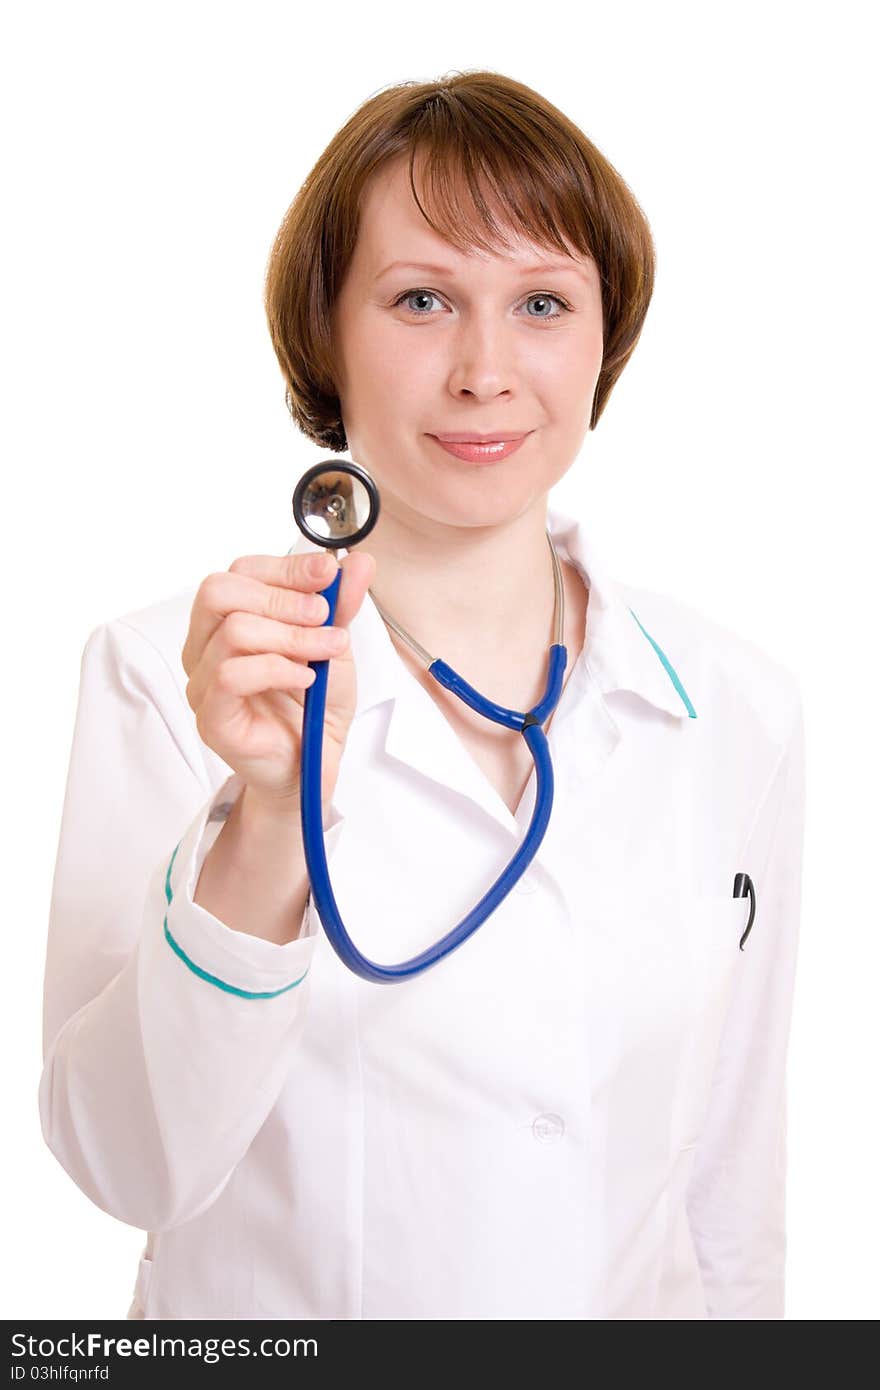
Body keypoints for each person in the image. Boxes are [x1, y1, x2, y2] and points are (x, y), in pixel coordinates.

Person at [38, 70, 806, 1321]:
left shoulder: (734, 708)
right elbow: (133, 1166)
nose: (486, 370)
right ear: (324, 338)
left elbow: (727, 1185)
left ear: (604, 339)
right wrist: (270, 820)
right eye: (422, 300)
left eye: (543, 303)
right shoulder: (168, 676)